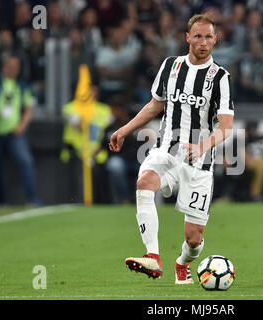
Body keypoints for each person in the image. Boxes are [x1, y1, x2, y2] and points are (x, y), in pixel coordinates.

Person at [109, 14, 234, 283]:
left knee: (194, 239)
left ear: (215, 39)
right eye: (197, 36)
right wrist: (123, 129)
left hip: (199, 162)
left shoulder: (221, 78)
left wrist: (203, 145)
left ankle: (182, 262)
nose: (202, 42)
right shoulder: (170, 67)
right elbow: (155, 105)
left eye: (208, 37)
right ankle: (152, 257)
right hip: (166, 150)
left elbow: (225, 127)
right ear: (187, 38)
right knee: (144, 182)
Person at [0, 56, 42, 205]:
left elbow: (28, 110)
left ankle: (32, 198)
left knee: (26, 161)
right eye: (10, 66)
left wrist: (22, 126)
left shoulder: (21, 86)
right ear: (3, 66)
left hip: (15, 133)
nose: (13, 69)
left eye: (16, 67)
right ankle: (1, 201)